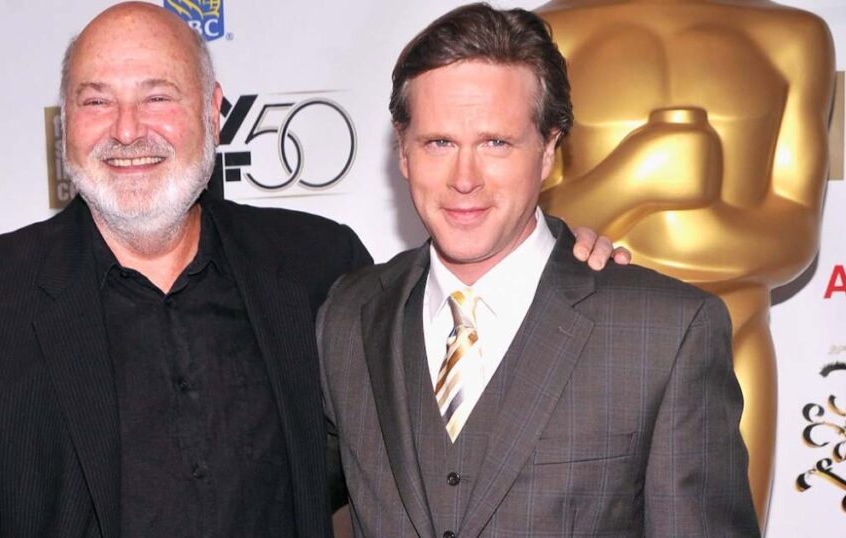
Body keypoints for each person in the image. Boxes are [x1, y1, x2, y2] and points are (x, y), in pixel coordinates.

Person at [0, 3, 622, 537]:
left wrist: (557, 261)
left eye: (158, 97)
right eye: (96, 101)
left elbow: (448, 386)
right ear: (65, 121)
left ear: (213, 113)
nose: (127, 131)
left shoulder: (320, 268)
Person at [318, 4, 759, 537]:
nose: (465, 178)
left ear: (549, 150)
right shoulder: (348, 317)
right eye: (439, 143)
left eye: (496, 143)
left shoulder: (665, 332)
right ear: (403, 152)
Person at [536, 1, 835, 526]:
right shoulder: (548, 32)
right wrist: (633, 178)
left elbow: (796, 236)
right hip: (584, 348)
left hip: (731, 346)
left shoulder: (794, 37)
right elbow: (517, 222)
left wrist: (698, 219)